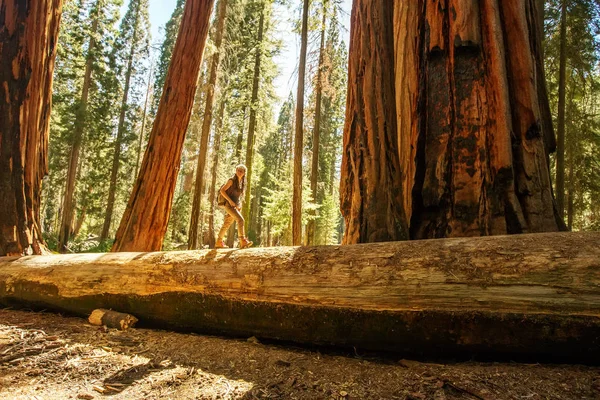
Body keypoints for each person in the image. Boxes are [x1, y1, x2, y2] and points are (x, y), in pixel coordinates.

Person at [215, 165, 253, 249]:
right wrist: (230, 201)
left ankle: (219, 241)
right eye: (238, 170)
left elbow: (238, 196)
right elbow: (222, 190)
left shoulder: (241, 182)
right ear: (236, 170)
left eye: (241, 171)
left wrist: (238, 206)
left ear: (244, 173)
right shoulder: (231, 181)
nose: (239, 172)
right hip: (228, 204)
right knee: (240, 220)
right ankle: (242, 240)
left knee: (227, 223)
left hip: (234, 205)